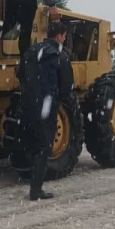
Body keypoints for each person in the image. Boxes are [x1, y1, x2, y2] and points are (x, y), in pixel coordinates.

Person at [19, 20, 74, 201]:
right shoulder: (61, 56)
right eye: (64, 36)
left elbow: (20, 74)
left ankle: (29, 178)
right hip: (47, 106)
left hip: (28, 104)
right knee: (43, 147)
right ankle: (36, 189)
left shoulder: (30, 51)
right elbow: (66, 87)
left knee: (31, 143)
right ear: (59, 36)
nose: (64, 40)